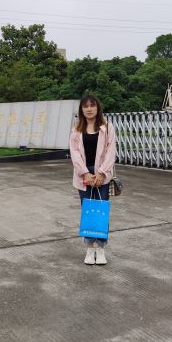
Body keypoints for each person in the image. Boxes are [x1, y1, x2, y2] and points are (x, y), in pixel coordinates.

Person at [69, 94, 116, 265]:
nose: (89, 109)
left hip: (102, 174)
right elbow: (74, 153)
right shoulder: (76, 130)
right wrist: (85, 173)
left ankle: (101, 249)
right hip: (84, 175)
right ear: (81, 109)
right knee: (87, 211)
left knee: (101, 211)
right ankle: (90, 248)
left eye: (92, 105)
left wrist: (102, 173)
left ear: (98, 108)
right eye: (86, 106)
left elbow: (111, 152)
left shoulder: (107, 127)